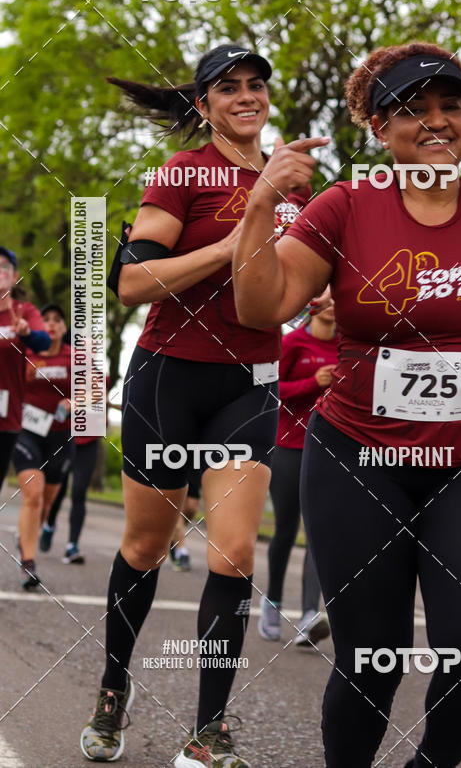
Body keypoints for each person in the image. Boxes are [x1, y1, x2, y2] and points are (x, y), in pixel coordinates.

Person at [232, 41, 461, 767]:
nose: (436, 121)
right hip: (358, 459)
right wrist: (260, 203)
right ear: (379, 129)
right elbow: (262, 303)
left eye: (450, 105)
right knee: (374, 657)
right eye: (412, 110)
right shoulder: (346, 206)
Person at [80, 43, 329, 767]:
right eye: (229, 88)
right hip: (169, 376)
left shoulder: (297, 185)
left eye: (257, 85)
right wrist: (240, 233)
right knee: (145, 547)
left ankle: (207, 732)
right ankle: (111, 691)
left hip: (248, 384)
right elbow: (130, 284)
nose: (247, 96)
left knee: (234, 553)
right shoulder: (183, 175)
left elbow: (302, 278)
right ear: (204, 104)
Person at [258, 301, 338, 646]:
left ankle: (309, 615)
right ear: (312, 303)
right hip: (289, 447)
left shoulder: (348, 345)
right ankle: (272, 602)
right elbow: (270, 389)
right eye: (325, 295)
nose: (332, 303)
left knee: (319, 533)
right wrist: (312, 382)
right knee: (286, 531)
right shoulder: (293, 343)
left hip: (330, 449)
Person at [12, 303, 73, 589]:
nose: (50, 323)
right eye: (45, 319)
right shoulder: (26, 355)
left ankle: (27, 534)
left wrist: (76, 403)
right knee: (33, 493)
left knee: (45, 505)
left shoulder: (74, 357)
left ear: (63, 327)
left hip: (60, 438)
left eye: (57, 320)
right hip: (27, 432)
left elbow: (95, 393)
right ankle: (28, 563)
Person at [0, 247, 50, 493]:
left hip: (7, 416)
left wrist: (27, 333)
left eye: (4, 266)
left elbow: (44, 342)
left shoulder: (24, 312)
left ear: (15, 275)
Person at [40, 434, 99, 564]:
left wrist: (103, 417)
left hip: (89, 439)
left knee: (79, 492)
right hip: (65, 436)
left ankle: (72, 546)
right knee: (58, 491)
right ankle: (49, 524)